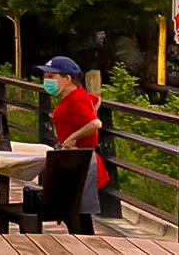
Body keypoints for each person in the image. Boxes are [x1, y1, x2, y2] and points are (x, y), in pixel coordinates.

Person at [37, 55, 108, 229]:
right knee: (73, 212)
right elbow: (96, 100)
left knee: (79, 213)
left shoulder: (77, 98)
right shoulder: (75, 97)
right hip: (74, 157)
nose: (46, 81)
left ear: (68, 78)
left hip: (81, 159)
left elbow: (95, 123)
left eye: (51, 77)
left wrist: (72, 137)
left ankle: (85, 245)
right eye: (45, 77)